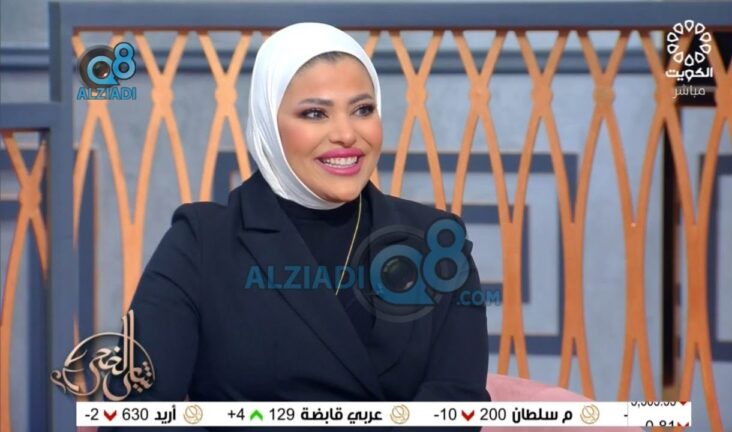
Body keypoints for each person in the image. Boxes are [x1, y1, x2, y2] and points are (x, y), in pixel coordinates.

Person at [100, 22, 489, 431]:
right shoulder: (201, 243)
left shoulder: (436, 242)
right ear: (269, 124)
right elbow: (135, 415)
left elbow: (456, 403)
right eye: (315, 113)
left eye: (362, 109)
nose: (346, 134)